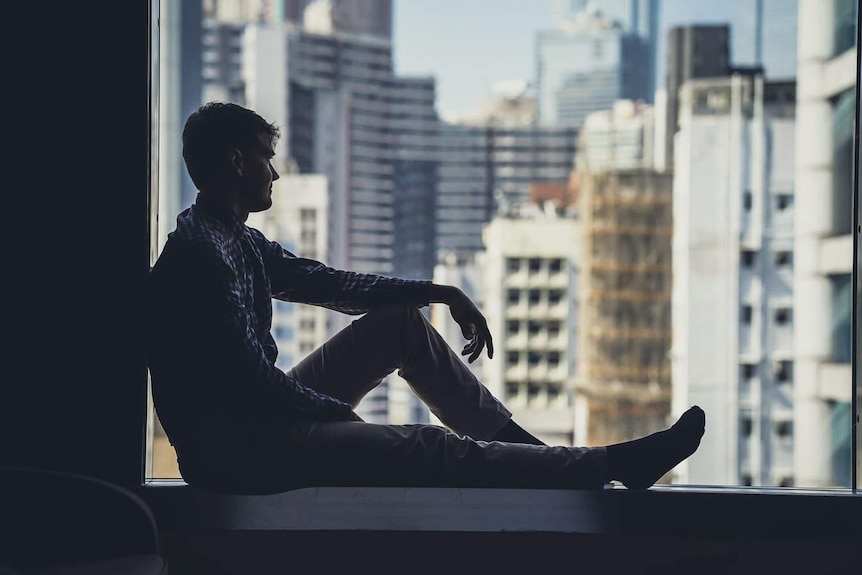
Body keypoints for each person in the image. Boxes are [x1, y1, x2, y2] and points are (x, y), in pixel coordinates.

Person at [146, 102, 705, 495]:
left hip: (259, 421)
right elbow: (252, 383)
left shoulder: (233, 237)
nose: (274, 173)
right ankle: (606, 465)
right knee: (429, 447)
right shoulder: (201, 255)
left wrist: (440, 293)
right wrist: (338, 417)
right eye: (265, 158)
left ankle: (539, 458)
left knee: (398, 325)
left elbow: (334, 285)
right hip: (237, 451)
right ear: (236, 163)